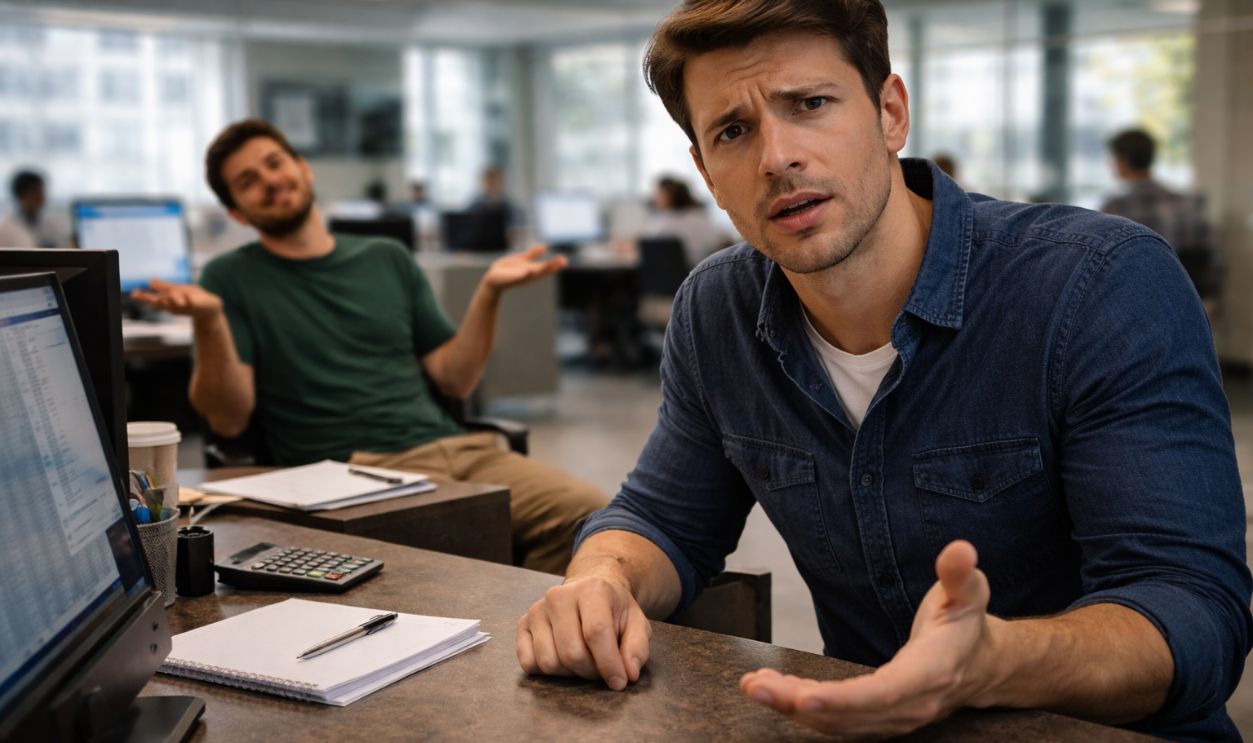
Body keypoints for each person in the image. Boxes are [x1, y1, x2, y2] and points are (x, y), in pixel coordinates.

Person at [514, 1, 1251, 739]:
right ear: (705, 171)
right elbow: (663, 518)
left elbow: (1192, 611)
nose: (776, 157)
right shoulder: (716, 311)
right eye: (732, 131)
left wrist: (993, 660)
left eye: (809, 104)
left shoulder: (1095, 285)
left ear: (889, 113)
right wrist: (601, 579)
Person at [132, 119, 606, 574]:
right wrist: (211, 322)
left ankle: (540, 643)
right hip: (353, 472)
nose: (271, 181)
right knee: (451, 552)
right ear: (237, 210)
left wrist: (489, 293)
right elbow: (228, 418)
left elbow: (454, 378)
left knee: (592, 517)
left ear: (303, 167)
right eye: (249, 180)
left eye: (275, 163)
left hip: (459, 451)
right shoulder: (230, 278)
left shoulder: (387, 257)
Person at [1102, 128, 1221, 323]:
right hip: (1187, 306)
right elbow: (1211, 256)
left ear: (1122, 162)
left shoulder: (1114, 209)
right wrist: (1210, 300)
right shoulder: (1187, 202)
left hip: (1136, 310)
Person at [644, 175, 730, 268]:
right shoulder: (701, 217)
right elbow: (720, 241)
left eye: (658, 194)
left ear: (667, 197)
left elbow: (643, 245)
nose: (655, 198)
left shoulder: (662, 222)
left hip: (668, 274)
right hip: (702, 271)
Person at [0, 169, 66, 248]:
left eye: (42, 193)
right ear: (21, 195)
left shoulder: (50, 225)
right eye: (36, 194)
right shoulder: (4, 229)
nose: (42, 198)